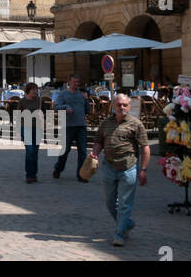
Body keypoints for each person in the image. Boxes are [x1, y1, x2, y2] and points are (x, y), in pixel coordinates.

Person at [91, 92, 150, 247]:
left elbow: (145, 148)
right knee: (110, 202)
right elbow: (98, 141)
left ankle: (119, 234)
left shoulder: (136, 124)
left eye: (125, 105)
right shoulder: (105, 123)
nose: (122, 107)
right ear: (113, 106)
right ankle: (127, 223)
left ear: (129, 106)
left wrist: (143, 169)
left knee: (125, 203)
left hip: (128, 168)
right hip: (109, 167)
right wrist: (95, 154)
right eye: (119, 104)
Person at [52, 74, 90, 182]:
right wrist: (66, 107)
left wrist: (86, 100)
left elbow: (88, 111)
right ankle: (58, 169)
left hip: (81, 126)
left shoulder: (82, 94)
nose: (76, 84)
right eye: (74, 82)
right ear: (69, 82)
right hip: (68, 126)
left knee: (82, 151)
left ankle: (81, 175)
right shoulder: (63, 94)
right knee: (65, 150)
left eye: (78, 82)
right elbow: (55, 107)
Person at [18, 82, 43, 183]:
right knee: (29, 151)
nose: (35, 91)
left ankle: (34, 174)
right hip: (26, 127)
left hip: (37, 128)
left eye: (36, 89)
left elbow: (41, 113)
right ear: (28, 90)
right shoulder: (22, 101)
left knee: (35, 152)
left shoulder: (38, 100)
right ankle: (29, 175)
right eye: (34, 89)